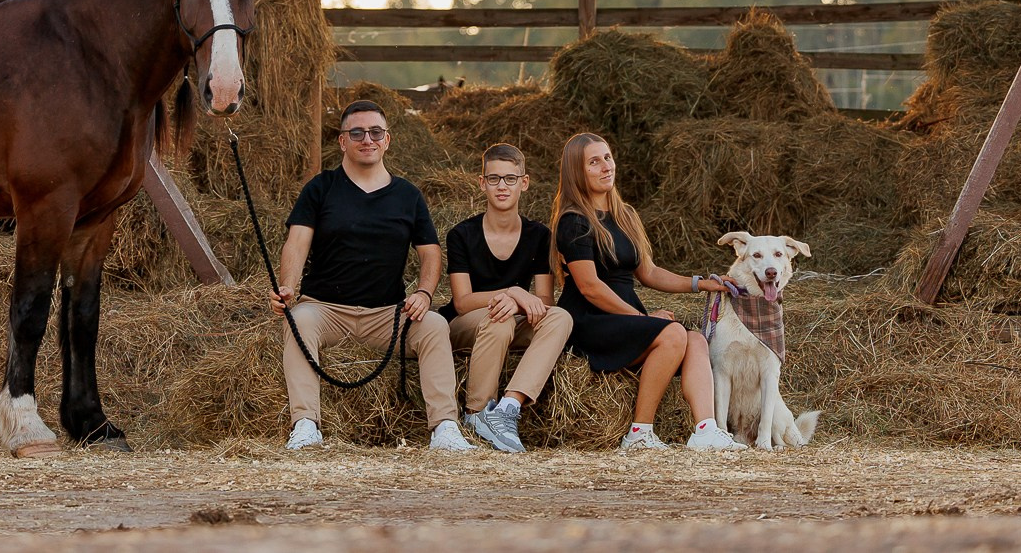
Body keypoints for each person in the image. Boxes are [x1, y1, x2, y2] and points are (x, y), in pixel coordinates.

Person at [271, 99, 473, 452]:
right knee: (298, 321)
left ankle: (445, 428)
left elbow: (430, 252)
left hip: (387, 314)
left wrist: (424, 293)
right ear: (342, 140)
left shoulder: (408, 195)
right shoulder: (320, 188)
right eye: (357, 133)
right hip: (326, 309)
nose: (368, 139)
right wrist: (288, 286)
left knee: (434, 325)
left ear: (387, 140)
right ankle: (305, 425)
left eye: (376, 132)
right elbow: (297, 242)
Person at [550, 131, 746, 452]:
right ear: (576, 172)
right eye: (594, 162)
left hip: (622, 317)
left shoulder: (625, 215)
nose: (606, 166)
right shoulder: (574, 221)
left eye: (608, 157)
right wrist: (642, 319)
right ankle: (639, 433)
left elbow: (649, 273)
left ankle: (705, 431)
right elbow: (590, 287)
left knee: (695, 340)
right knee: (673, 334)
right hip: (589, 319)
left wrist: (699, 283)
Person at [443, 143, 573, 453]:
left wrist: (518, 301)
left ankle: (507, 408)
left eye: (510, 179)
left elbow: (545, 299)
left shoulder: (539, 236)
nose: (502, 186)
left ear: (523, 183)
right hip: (466, 323)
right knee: (499, 319)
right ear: (482, 183)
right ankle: (477, 412)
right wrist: (511, 292)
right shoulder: (461, 235)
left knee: (561, 317)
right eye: (494, 178)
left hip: (514, 320)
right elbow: (462, 301)